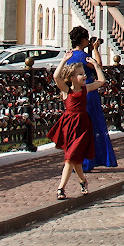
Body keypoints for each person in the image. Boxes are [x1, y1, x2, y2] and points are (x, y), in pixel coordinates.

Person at [59, 28, 118, 173]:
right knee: (91, 124)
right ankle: (91, 160)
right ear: (83, 40)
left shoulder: (69, 55)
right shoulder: (83, 56)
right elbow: (98, 67)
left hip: (73, 93)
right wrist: (96, 50)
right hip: (88, 92)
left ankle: (80, 160)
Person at [51, 65, 94, 198]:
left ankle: (61, 188)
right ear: (72, 78)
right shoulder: (67, 90)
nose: (84, 76)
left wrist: (96, 65)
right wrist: (64, 60)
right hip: (69, 126)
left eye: (84, 73)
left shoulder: (85, 89)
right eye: (80, 74)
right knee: (74, 159)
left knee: (70, 158)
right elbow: (55, 76)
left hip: (83, 126)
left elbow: (102, 81)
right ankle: (83, 181)